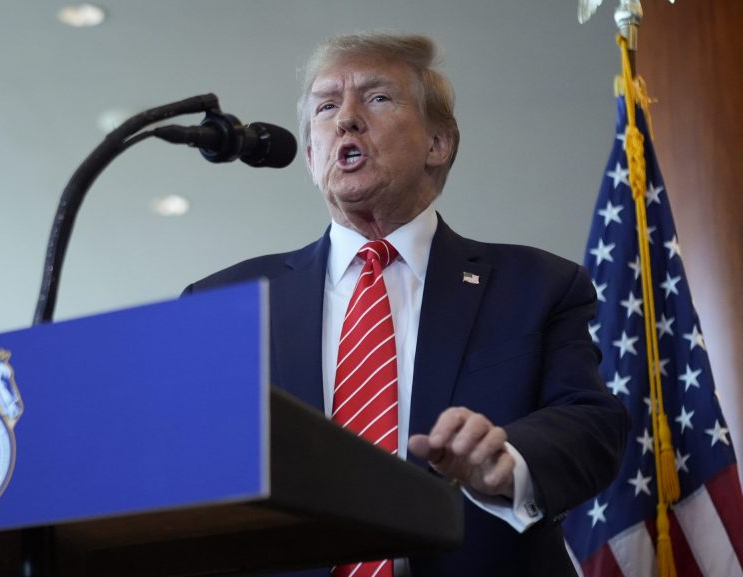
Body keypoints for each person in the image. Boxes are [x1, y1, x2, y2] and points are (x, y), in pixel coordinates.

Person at [183, 33, 629, 577]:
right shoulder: (220, 303)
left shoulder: (538, 285)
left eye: (376, 98)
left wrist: (506, 462)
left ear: (438, 143)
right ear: (309, 156)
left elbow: (591, 423)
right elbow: (186, 468)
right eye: (326, 106)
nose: (345, 119)